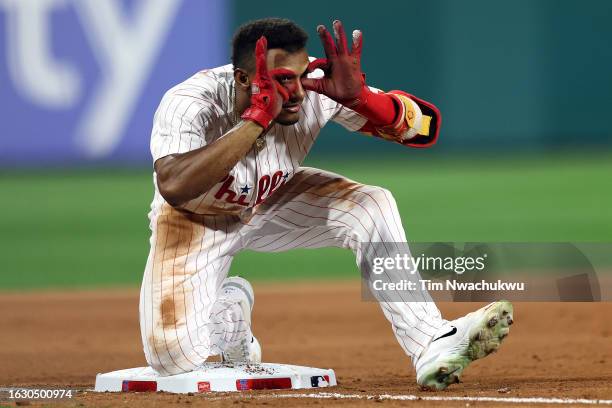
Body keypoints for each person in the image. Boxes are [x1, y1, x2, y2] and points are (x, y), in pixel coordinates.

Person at [139, 17, 513, 390]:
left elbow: (425, 129)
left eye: (301, 76)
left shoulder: (312, 89)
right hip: (195, 219)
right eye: (283, 79)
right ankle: (227, 312)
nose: (298, 91)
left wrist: (362, 99)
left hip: (271, 201)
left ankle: (431, 340)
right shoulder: (190, 101)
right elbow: (174, 185)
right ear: (241, 79)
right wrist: (256, 120)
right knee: (172, 361)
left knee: (370, 204)